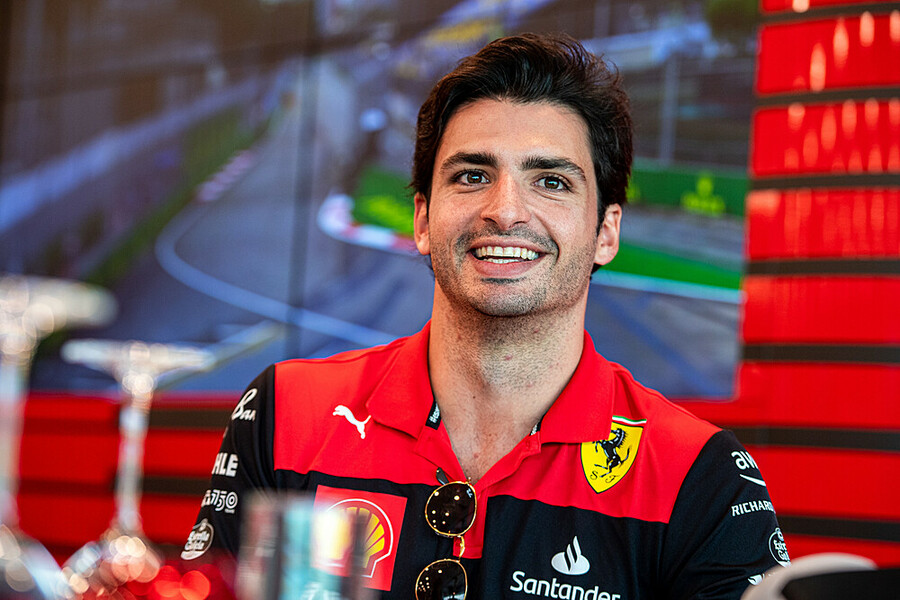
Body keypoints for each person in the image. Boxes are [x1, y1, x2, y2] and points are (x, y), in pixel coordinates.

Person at [182, 33, 787, 599]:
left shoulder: (699, 473)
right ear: (422, 219)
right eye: (473, 176)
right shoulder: (285, 413)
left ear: (606, 233)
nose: (505, 211)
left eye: (551, 181)